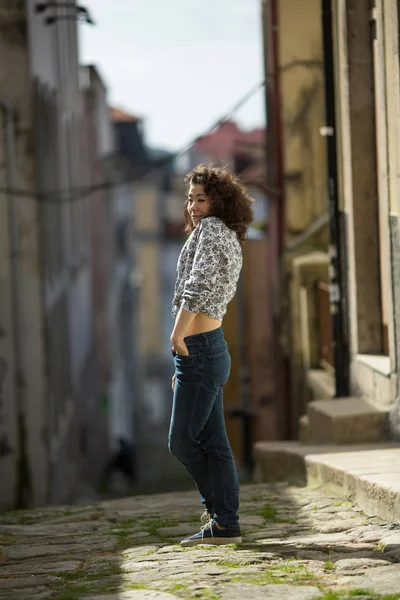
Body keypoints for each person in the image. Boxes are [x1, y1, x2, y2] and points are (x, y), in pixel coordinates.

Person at [168, 164, 254, 547]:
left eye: (201, 199)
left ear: (219, 201)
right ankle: (225, 524)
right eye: (190, 199)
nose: (193, 206)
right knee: (214, 443)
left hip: (201, 349)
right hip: (204, 350)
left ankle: (219, 515)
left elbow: (199, 284)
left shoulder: (215, 231)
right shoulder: (215, 232)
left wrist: (178, 336)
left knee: (182, 441)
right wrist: (183, 356)